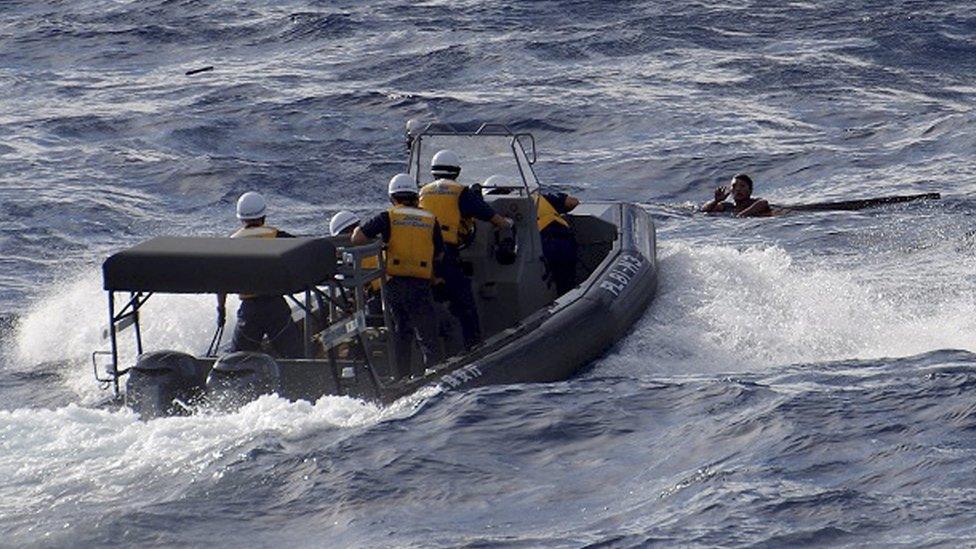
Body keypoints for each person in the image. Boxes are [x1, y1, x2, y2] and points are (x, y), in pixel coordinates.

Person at [352, 174, 444, 379]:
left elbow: (357, 238)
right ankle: (434, 374)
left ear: (393, 197)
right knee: (427, 334)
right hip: (420, 284)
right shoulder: (430, 219)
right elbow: (439, 253)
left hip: (395, 285)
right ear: (415, 195)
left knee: (401, 332)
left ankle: (401, 377)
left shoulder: (387, 217)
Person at [419, 149, 513, 350]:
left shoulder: (423, 192)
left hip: (422, 257)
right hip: (445, 254)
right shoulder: (461, 192)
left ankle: (435, 352)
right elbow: (495, 220)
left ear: (433, 171)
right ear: (457, 171)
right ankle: (474, 348)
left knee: (430, 303)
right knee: (464, 303)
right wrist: (507, 226)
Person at [217, 191, 304, 358]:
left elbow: (222, 282)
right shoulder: (278, 236)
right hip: (276, 308)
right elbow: (304, 252)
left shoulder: (231, 242)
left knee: (238, 360)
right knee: (295, 357)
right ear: (264, 215)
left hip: (249, 312)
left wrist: (221, 310)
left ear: (241, 218)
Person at [535, 190, 580, 295]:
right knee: (567, 282)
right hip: (564, 241)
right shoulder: (541, 197)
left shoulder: (501, 207)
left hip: (542, 245)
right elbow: (573, 202)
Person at [700, 173, 771, 217]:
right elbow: (703, 211)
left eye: (742, 186)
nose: (738, 189)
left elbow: (763, 203)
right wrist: (716, 201)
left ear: (750, 190)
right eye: (734, 186)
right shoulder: (728, 206)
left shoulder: (754, 203)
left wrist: (741, 215)